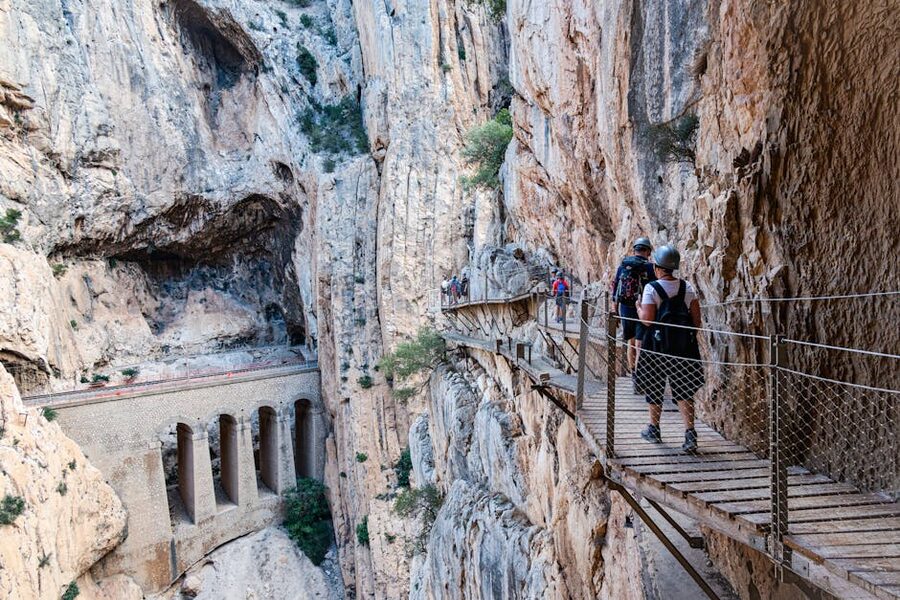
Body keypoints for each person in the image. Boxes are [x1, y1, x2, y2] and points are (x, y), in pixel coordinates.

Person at [635, 245, 704, 453]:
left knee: (654, 386)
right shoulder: (687, 287)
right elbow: (696, 321)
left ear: (657, 267)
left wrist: (638, 308)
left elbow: (647, 320)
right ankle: (690, 434)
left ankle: (654, 429)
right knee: (684, 388)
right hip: (683, 346)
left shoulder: (651, 288)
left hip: (656, 346)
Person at [610, 237, 656, 381]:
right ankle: (640, 376)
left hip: (625, 308)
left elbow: (615, 289)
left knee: (631, 341)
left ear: (634, 250)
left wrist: (615, 310)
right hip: (643, 307)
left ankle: (633, 372)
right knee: (640, 343)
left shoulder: (623, 266)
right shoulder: (650, 268)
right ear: (648, 251)